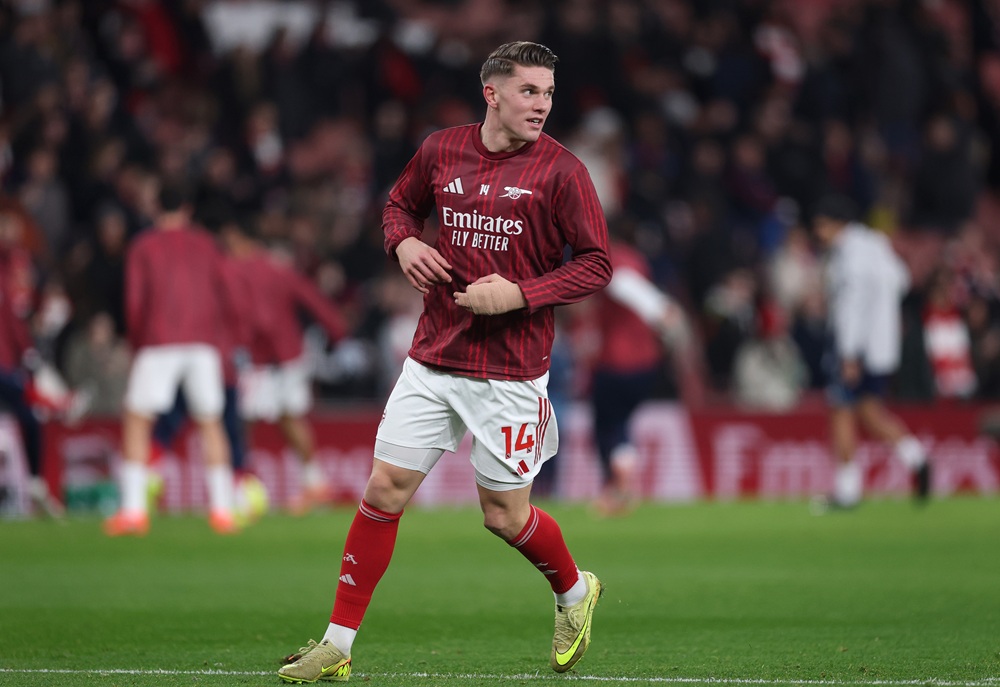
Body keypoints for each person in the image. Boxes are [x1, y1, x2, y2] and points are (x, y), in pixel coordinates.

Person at [278, 41, 612, 683]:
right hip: (434, 357)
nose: (542, 104)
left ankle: (575, 592)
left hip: (511, 372)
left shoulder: (563, 172)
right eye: (528, 92)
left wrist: (520, 293)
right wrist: (402, 242)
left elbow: (597, 262)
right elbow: (399, 206)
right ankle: (337, 645)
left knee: (503, 515)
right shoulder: (441, 148)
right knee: (384, 489)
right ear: (492, 93)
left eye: (547, 92)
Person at [103, 184, 243, 536]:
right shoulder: (207, 244)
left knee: (137, 420)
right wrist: (226, 341)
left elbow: (135, 302)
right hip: (202, 344)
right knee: (211, 422)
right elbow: (227, 294)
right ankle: (223, 511)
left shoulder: (143, 245)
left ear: (155, 207)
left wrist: (137, 344)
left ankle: (134, 512)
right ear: (187, 208)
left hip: (159, 341)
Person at [812, 194, 932, 510]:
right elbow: (902, 281)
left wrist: (850, 352)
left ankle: (847, 491)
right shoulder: (877, 245)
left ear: (835, 224)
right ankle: (916, 457)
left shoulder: (849, 256)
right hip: (882, 347)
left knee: (841, 410)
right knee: (869, 411)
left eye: (821, 226)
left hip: (856, 348)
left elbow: (853, 306)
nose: (818, 233)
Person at [220, 221, 348, 514]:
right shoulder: (277, 268)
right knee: (290, 419)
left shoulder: (231, 269)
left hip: (258, 358)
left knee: (241, 423)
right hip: (289, 355)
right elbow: (311, 297)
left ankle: (240, 484)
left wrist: (237, 347)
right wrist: (338, 331)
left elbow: (245, 315)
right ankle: (314, 482)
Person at [585, 238, 693, 516]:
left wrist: (658, 309)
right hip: (646, 363)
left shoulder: (610, 258)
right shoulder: (637, 257)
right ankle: (622, 488)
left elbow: (623, 283)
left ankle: (615, 488)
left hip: (617, 363)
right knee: (620, 424)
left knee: (605, 425)